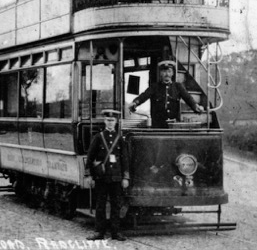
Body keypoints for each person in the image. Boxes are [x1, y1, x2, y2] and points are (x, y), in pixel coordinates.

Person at [85, 110, 129, 241]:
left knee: (116, 205)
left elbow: (125, 159)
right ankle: (99, 232)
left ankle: (116, 232)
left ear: (116, 122)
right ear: (105, 121)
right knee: (100, 205)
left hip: (116, 177)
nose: (110, 123)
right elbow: (90, 157)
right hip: (102, 177)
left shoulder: (119, 138)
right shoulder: (98, 137)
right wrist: (88, 175)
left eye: (113, 121)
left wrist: (125, 177)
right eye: (108, 120)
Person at [127, 60, 204, 128]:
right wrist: (135, 103)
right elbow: (143, 96)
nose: (167, 74)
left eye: (169, 71)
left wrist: (195, 106)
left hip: (174, 125)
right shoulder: (154, 87)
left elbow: (188, 98)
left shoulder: (178, 86)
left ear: (172, 73)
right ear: (160, 73)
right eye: (164, 71)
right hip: (157, 126)